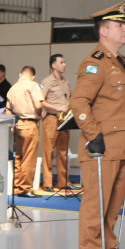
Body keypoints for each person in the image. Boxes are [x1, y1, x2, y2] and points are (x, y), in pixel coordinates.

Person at [71, 2, 125, 249]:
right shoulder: (94, 62)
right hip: (103, 148)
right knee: (95, 206)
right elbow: (78, 102)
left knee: (113, 207)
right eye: (120, 25)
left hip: (124, 145)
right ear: (104, 30)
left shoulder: (122, 62)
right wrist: (93, 136)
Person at [5, 66, 44, 197]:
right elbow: (38, 105)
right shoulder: (33, 85)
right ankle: (25, 188)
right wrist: (39, 114)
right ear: (33, 76)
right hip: (29, 124)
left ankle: (16, 187)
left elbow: (7, 110)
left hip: (16, 125)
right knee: (29, 157)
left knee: (18, 156)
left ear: (20, 74)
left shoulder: (12, 88)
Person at [40, 54, 74, 190]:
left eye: (65, 62)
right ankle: (48, 183)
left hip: (65, 120)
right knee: (48, 151)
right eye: (61, 62)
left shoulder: (66, 81)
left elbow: (69, 98)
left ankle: (64, 182)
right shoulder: (46, 81)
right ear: (53, 65)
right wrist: (58, 108)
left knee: (63, 152)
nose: (64, 64)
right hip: (51, 118)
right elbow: (40, 101)